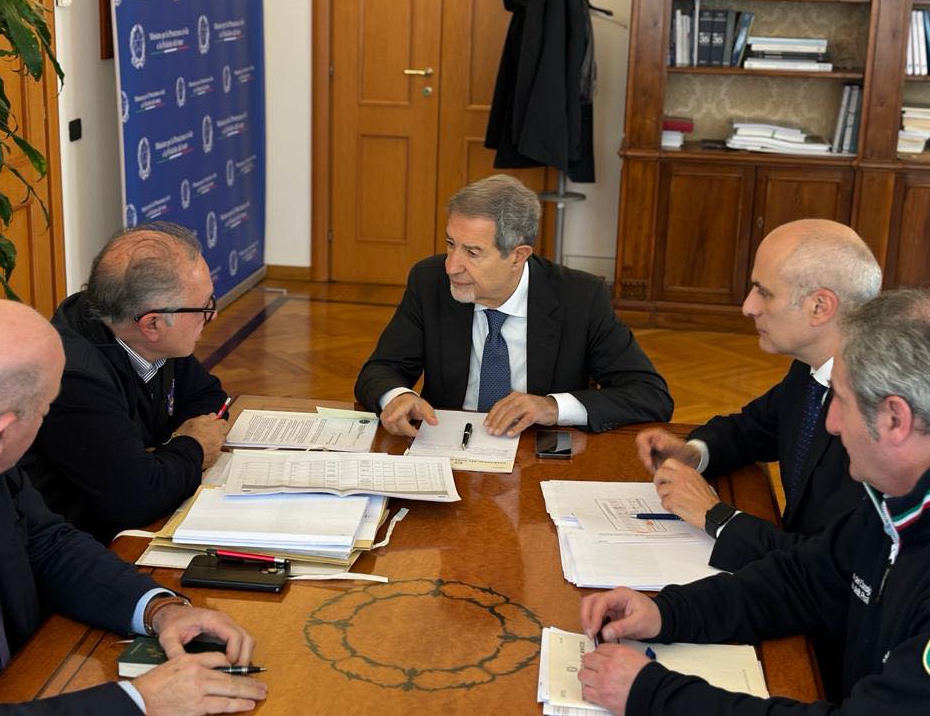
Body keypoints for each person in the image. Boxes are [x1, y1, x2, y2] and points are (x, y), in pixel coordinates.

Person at [578, 288, 930, 715]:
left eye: (840, 400)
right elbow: (804, 582)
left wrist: (651, 694)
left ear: (895, 418)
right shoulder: (893, 499)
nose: (832, 423)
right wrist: (666, 612)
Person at [0, 298, 266, 715]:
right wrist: (142, 701)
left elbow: (46, 543)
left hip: (25, 678)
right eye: (44, 411)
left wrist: (159, 609)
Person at [635, 220, 881, 572]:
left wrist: (716, 516)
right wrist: (694, 453)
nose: (748, 307)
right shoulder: (811, 366)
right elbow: (757, 427)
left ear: (819, 306)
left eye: (764, 292)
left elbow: (831, 565)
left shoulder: (878, 417)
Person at [354, 174, 672, 438]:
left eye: (473, 253)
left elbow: (649, 395)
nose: (452, 266)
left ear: (518, 256)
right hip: (447, 448)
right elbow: (381, 370)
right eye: (451, 244)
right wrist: (399, 396)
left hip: (536, 453)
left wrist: (552, 407)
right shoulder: (430, 281)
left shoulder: (580, 297)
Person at [24, 222, 229, 542]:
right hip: (80, 543)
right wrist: (193, 447)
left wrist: (158, 460)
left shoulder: (149, 335)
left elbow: (209, 397)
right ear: (152, 324)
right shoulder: (74, 381)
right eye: (204, 307)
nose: (212, 315)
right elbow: (136, 499)